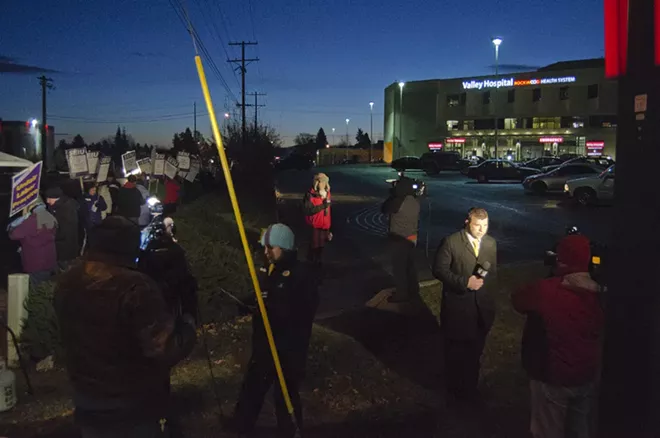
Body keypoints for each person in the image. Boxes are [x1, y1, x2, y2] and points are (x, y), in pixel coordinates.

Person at [54, 216, 196, 438]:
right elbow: (165, 348)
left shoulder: (68, 280)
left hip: (87, 397)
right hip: (131, 404)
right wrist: (188, 320)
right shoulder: (135, 288)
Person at [229, 223, 319, 437]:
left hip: (288, 349)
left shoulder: (301, 275)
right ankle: (240, 427)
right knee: (252, 389)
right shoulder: (272, 270)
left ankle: (290, 430)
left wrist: (276, 307)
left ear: (285, 247)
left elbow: (304, 310)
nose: (266, 252)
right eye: (265, 247)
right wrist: (247, 303)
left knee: (285, 395)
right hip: (264, 345)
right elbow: (263, 295)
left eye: (271, 247)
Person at [512, 234, 604, 438]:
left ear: (560, 258)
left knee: (548, 430)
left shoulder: (546, 290)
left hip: (553, 376)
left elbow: (518, 300)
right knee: (579, 428)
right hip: (586, 374)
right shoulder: (600, 293)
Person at [432, 207, 497, 400]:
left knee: (475, 353)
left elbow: (491, 272)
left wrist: (486, 294)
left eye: (485, 225)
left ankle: (471, 389)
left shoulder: (491, 243)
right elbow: (439, 270)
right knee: (456, 354)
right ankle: (454, 392)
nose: (481, 230)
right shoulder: (451, 242)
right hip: (458, 309)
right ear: (467, 222)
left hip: (482, 310)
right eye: (477, 225)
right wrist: (464, 282)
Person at [382, 176, 421, 303]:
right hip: (412, 237)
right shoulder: (414, 200)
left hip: (400, 238)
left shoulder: (398, 201)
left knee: (399, 269)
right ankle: (413, 289)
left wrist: (392, 193)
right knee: (410, 266)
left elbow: (384, 208)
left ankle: (401, 294)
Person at [8, 201, 58, 285]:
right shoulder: (50, 217)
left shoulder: (32, 220)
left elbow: (14, 235)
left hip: (35, 261)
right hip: (49, 259)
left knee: (36, 289)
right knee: (46, 287)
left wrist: (16, 223)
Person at [46, 186, 80, 271]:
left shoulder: (64, 211)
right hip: (68, 245)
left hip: (64, 246)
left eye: (49, 199)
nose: (47, 201)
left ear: (55, 198)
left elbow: (62, 230)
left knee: (64, 267)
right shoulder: (63, 206)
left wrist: (52, 236)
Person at [303, 173, 332, 270]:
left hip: (324, 225)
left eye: (325, 182)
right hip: (314, 225)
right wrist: (323, 206)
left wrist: (329, 226)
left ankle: (317, 262)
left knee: (321, 245)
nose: (323, 185)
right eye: (321, 182)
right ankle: (312, 264)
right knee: (314, 245)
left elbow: (328, 211)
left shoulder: (327, 193)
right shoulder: (310, 195)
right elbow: (308, 210)